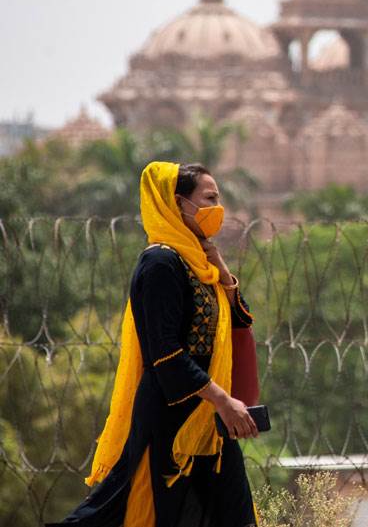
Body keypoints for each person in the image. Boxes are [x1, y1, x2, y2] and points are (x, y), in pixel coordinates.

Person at [50, 161, 259, 527]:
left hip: (208, 423)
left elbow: (238, 322)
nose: (217, 209)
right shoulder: (161, 264)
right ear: (178, 204)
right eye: (209, 199)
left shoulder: (201, 266)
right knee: (135, 512)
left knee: (233, 515)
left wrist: (223, 273)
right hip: (169, 420)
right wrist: (223, 400)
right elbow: (165, 355)